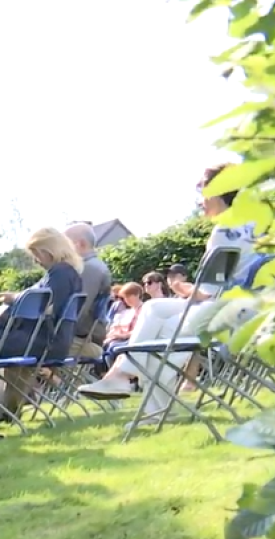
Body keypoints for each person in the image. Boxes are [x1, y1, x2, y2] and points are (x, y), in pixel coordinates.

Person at [77, 163, 259, 427]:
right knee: (154, 312)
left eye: (205, 195)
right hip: (253, 309)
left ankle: (139, 393)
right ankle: (125, 377)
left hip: (228, 316)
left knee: (162, 331)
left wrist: (181, 289)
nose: (201, 203)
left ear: (221, 193)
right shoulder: (256, 226)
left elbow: (207, 293)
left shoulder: (224, 233)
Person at [0, 227, 83, 412]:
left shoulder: (60, 273)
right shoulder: (67, 273)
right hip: (42, 340)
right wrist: (19, 297)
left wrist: (14, 299)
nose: (36, 260)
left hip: (39, 342)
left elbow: (44, 304)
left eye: (36, 254)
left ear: (48, 250)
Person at [64, 222, 112, 358]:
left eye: (65, 245)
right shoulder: (91, 267)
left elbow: (78, 312)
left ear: (81, 244)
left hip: (82, 341)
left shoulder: (89, 269)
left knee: (22, 349)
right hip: (81, 337)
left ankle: (56, 380)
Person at [102, 282, 144, 361]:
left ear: (137, 295)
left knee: (113, 347)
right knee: (105, 344)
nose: (126, 300)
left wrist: (122, 336)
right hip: (124, 338)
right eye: (125, 297)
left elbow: (141, 329)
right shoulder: (128, 311)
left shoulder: (144, 310)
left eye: (128, 296)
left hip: (135, 339)